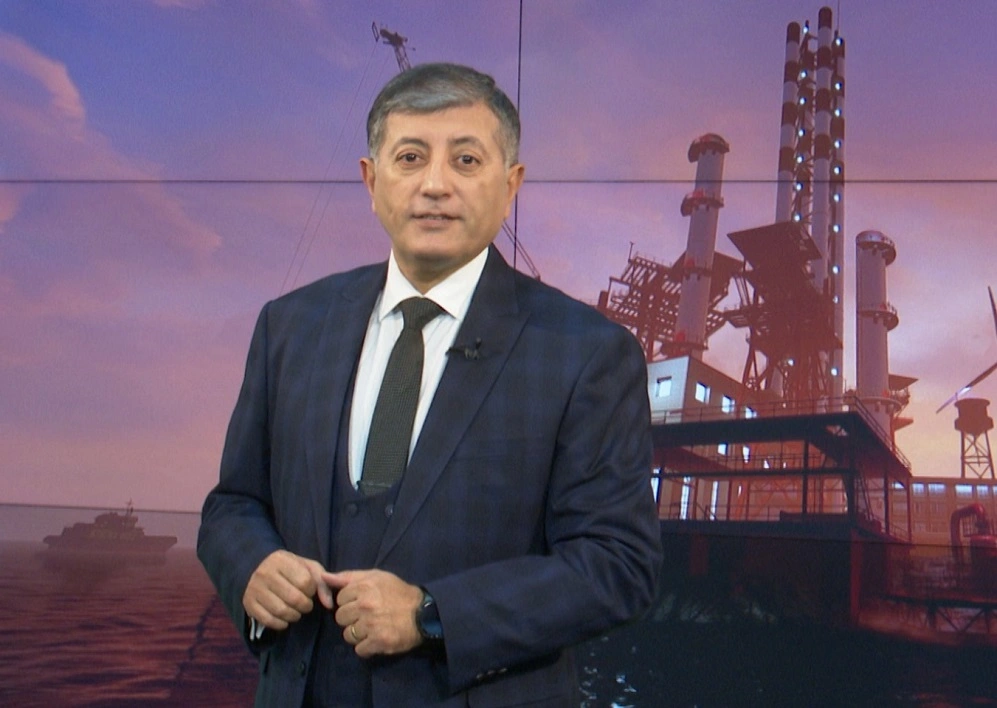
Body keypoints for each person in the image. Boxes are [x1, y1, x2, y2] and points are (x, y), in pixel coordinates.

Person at [198, 62, 662, 707]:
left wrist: (431, 615)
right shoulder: (290, 326)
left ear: (511, 184)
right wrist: (252, 567)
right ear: (371, 180)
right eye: (410, 157)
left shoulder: (588, 353)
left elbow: (617, 565)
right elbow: (233, 505)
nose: (435, 184)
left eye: (466, 160)